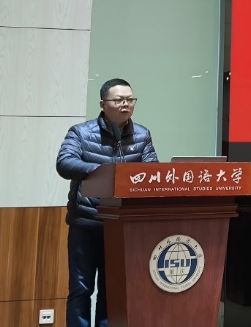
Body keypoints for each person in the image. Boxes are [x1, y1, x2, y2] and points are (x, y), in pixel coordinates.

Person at [56, 78, 158, 327]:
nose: (126, 104)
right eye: (119, 100)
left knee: (111, 289)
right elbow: (65, 163)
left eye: (130, 99)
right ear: (103, 104)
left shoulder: (142, 134)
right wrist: (105, 172)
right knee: (81, 289)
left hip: (122, 226)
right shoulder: (81, 132)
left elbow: (152, 172)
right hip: (87, 222)